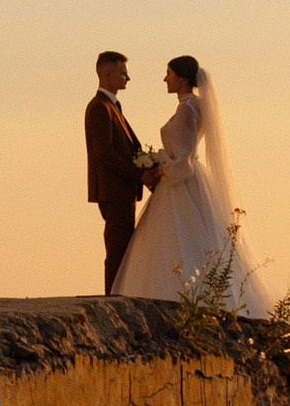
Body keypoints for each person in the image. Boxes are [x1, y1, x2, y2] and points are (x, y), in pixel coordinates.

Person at [109, 55, 275, 316]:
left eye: (169, 74)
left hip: (181, 185)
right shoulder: (195, 106)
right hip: (187, 181)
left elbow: (182, 161)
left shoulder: (187, 109)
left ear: (182, 79)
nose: (165, 79)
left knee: (177, 244)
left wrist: (158, 164)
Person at [84, 50, 146, 291]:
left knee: (122, 245)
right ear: (107, 74)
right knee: (117, 247)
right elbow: (105, 154)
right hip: (114, 189)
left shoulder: (111, 106)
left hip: (121, 189)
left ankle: (119, 292)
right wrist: (139, 173)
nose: (127, 80)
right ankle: (114, 296)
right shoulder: (100, 107)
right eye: (123, 74)